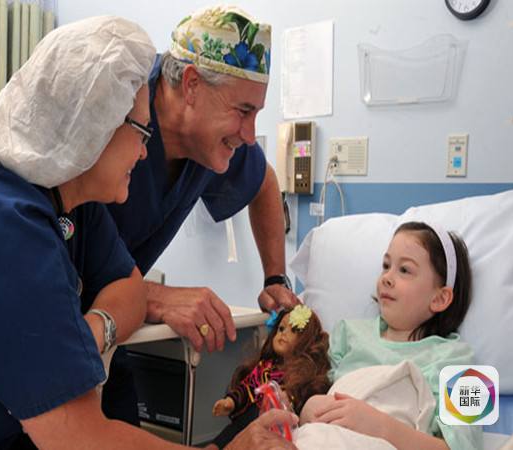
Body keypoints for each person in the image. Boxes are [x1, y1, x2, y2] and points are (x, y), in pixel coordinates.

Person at [0, 16, 297, 450]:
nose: (144, 151)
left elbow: (130, 287)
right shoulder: (2, 223)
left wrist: (93, 332)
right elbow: (78, 437)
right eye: (141, 131)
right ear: (93, 126)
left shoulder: (70, 198)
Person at [104, 4, 300, 423]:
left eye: (256, 114)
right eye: (243, 111)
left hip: (108, 335)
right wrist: (154, 298)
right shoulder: (114, 113)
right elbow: (58, 256)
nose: (250, 135)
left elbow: (263, 182)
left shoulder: (205, 139)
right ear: (191, 84)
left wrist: (275, 279)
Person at [299, 222, 482, 449]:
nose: (386, 277)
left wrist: (381, 427)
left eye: (404, 270)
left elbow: (468, 447)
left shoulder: (464, 364)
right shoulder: (347, 334)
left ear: (440, 298)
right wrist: (308, 407)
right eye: (386, 266)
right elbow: (316, 394)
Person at [210, 305, 330, 449]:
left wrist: (289, 400)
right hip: (246, 420)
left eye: (294, 330)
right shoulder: (264, 366)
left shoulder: (305, 375)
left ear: (307, 340)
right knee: (226, 436)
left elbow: (305, 400)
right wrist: (231, 402)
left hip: (275, 427)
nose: (283, 334)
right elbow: (247, 386)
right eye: (281, 329)